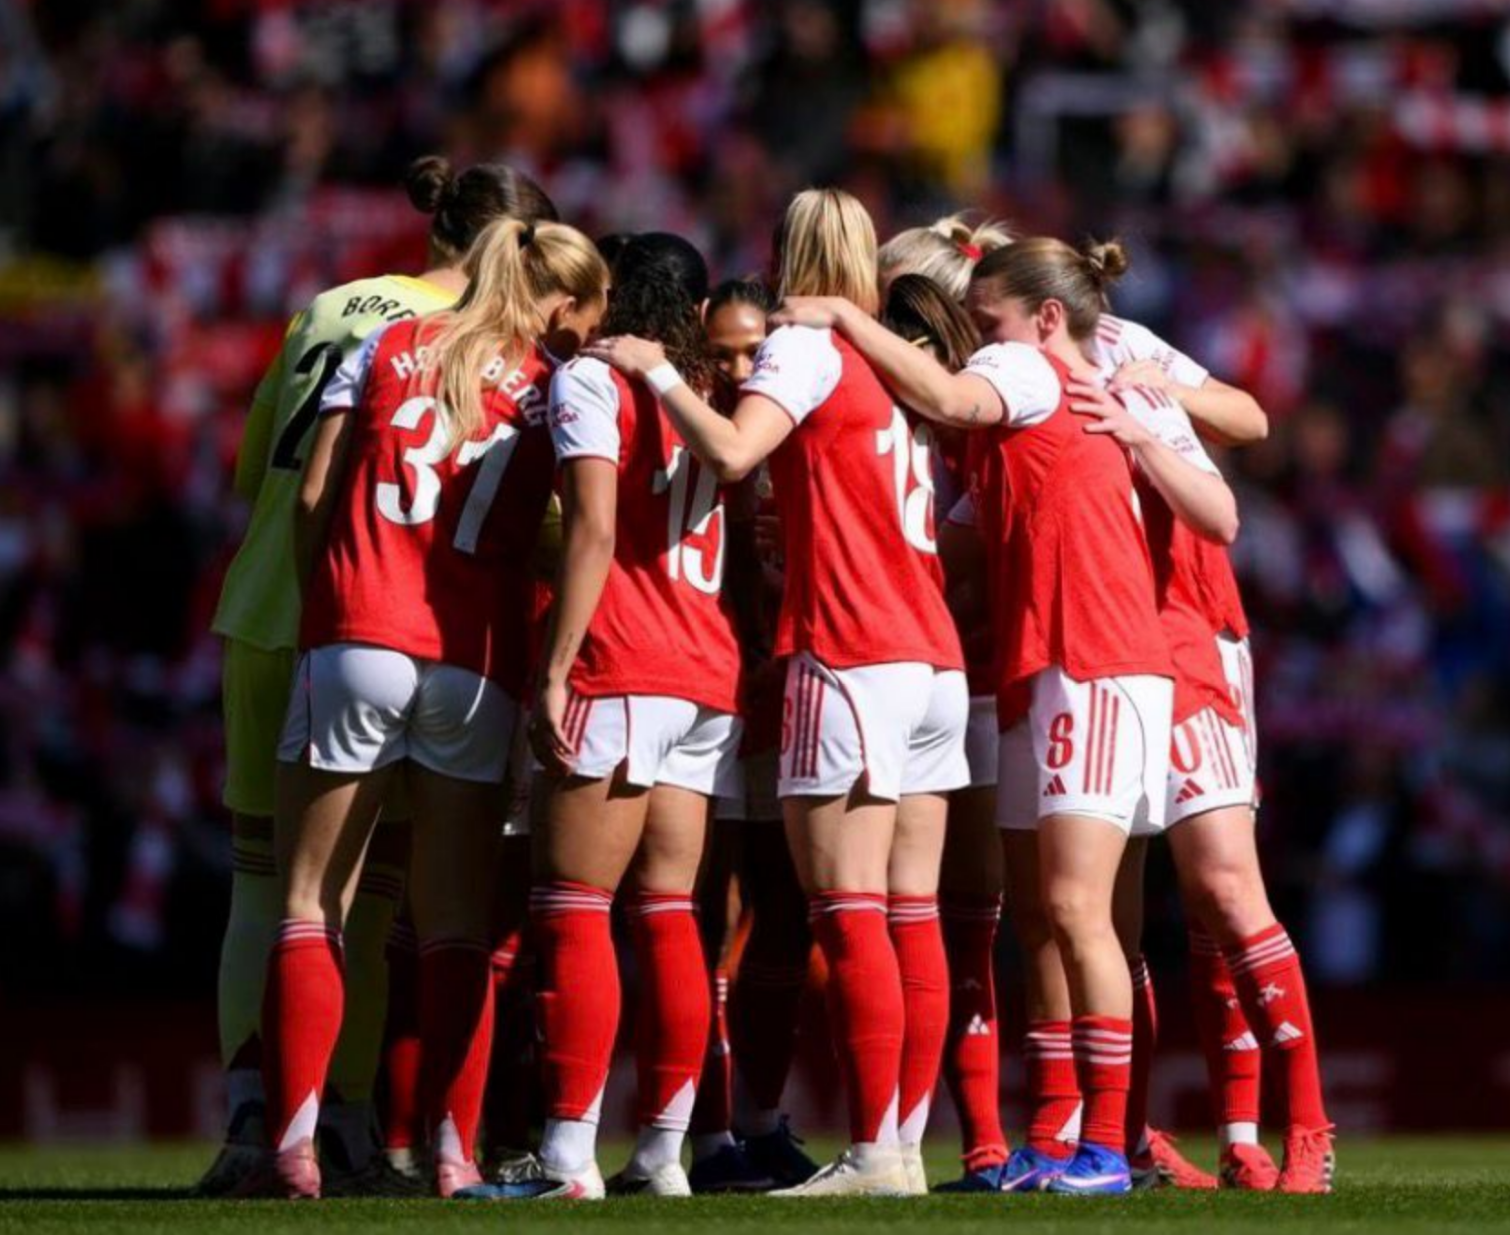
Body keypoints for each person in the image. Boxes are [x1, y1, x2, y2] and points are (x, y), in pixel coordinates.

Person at [773, 236, 1239, 1195]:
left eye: (986, 319)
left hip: (1096, 661)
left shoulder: (1022, 366)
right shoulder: (1070, 392)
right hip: (1049, 664)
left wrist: (848, 319)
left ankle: (1106, 1146)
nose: (974, 340)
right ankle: (1056, 1138)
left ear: (1046, 317)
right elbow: (963, 536)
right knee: (1042, 916)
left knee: (1076, 911)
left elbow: (947, 398)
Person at [587, 188, 969, 1198]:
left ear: (788, 255)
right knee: (909, 913)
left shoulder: (805, 343)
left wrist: (656, 368)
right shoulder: (896, 360)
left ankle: (876, 1151)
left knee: (846, 912)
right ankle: (904, 1144)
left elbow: (733, 449)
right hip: (934, 659)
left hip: (849, 651)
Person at [201, 155, 559, 1197]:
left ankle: (256, 1117)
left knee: (270, 882)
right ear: (517, 248)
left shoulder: (332, 309)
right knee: (394, 893)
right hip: (423, 619)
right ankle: (360, 1123)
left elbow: (256, 467)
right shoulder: (506, 347)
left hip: (286, 610)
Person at [1066, 379, 1335, 1192]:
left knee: (1219, 893)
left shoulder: (1127, 360)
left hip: (1187, 648)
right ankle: (1124, 1136)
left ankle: (1289, 1131)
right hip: (1091, 658)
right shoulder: (1010, 380)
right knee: (1102, 911)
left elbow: (1246, 429)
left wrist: (1153, 403)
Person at [524, 233, 746, 1200]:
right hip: (704, 674)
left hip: (621, 662)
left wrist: (557, 661)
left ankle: (566, 1154)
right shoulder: (712, 400)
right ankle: (661, 1153)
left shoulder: (592, 382)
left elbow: (596, 530)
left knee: (574, 904)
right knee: (668, 916)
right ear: (697, 315)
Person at [687, 278, 822, 1194]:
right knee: (700, 917)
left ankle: (760, 1118)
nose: (738, 370)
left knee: (788, 909)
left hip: (783, 693)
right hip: (702, 691)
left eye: (751, 352)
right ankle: (702, 1133)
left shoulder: (801, 425)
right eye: (721, 354)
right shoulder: (688, 428)